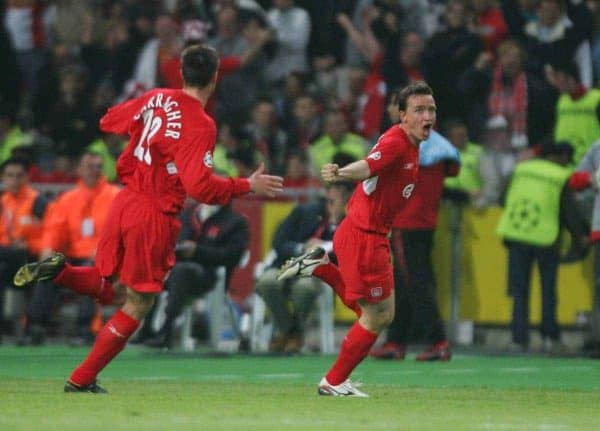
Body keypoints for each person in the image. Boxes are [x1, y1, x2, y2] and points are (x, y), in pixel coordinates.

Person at [13, 44, 283, 393]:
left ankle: (58, 271)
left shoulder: (156, 97)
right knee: (140, 301)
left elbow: (109, 120)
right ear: (215, 78)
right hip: (153, 213)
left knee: (108, 282)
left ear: (181, 73)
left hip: (124, 201)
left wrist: (150, 137)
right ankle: (82, 378)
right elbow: (200, 188)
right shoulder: (200, 124)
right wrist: (247, 184)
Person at [278, 82, 436, 396]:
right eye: (419, 110)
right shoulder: (395, 141)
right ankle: (333, 381)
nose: (427, 116)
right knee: (376, 315)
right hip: (365, 236)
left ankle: (321, 267)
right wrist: (340, 173)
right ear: (402, 116)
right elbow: (367, 166)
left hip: (367, 234)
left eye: (431, 110)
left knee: (379, 313)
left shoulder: (411, 146)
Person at [371, 91, 460, 362]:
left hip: (405, 221)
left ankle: (438, 341)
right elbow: (453, 171)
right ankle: (397, 340)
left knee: (414, 282)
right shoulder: (437, 143)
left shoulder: (403, 139)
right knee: (406, 281)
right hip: (425, 221)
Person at [496, 141, 588, 352]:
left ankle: (519, 340)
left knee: (519, 291)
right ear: (563, 156)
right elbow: (569, 211)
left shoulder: (521, 169)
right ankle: (550, 338)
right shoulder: (559, 175)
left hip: (517, 233)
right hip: (546, 237)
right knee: (548, 290)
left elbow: (502, 199)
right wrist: (580, 237)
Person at [25, 152, 121, 345]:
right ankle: (36, 326)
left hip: (107, 260)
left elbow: (123, 232)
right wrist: (49, 250)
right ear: (79, 170)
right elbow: (54, 230)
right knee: (49, 268)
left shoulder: (116, 196)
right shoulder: (67, 199)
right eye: (89, 166)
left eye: (98, 166)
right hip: (75, 256)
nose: (95, 170)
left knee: (90, 270)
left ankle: (85, 330)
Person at [255, 182, 353, 354]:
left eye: (343, 194)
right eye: (334, 192)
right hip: (286, 263)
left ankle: (287, 334)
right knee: (266, 282)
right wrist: (302, 248)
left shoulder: (350, 221)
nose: (337, 198)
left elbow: (345, 255)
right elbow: (279, 242)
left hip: (317, 272)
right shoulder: (304, 212)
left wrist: (329, 237)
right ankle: (292, 332)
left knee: (304, 288)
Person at [144, 201, 249, 348]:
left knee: (181, 272)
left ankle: (166, 329)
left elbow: (232, 256)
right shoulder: (189, 213)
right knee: (151, 269)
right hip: (176, 267)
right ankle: (146, 328)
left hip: (209, 274)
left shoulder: (235, 222)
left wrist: (198, 251)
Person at [0, 158, 47, 340]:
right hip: (7, 257)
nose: (15, 180)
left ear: (27, 177)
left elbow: (50, 233)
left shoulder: (38, 201)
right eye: (10, 176)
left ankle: (32, 326)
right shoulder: (2, 202)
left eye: (19, 176)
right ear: (3, 177)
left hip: (31, 256)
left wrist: (30, 244)